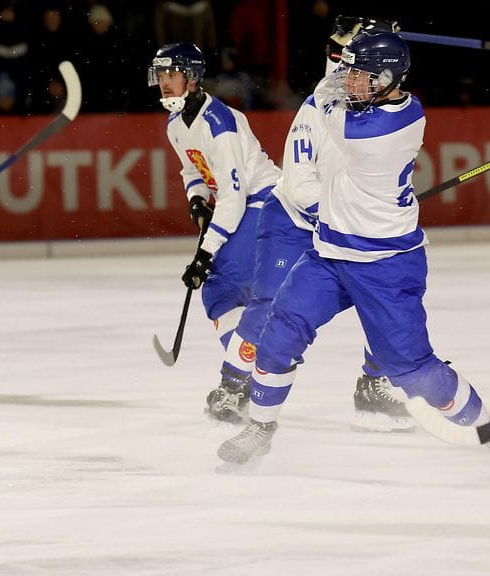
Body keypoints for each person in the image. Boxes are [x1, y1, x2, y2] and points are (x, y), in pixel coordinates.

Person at [217, 30, 490, 468]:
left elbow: (323, 97)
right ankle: (261, 427)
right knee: (279, 334)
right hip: (329, 252)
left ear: (388, 78)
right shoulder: (394, 103)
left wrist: (340, 51)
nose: (350, 81)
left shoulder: (371, 129)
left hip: (385, 265)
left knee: (414, 371)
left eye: (361, 75)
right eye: (349, 73)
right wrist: (357, 49)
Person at [204, 15, 416, 433]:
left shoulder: (377, 108)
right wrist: (343, 217)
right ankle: (232, 386)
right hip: (295, 224)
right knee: (270, 309)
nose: (355, 77)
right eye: (349, 63)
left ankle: (374, 384)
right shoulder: (320, 109)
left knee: (385, 297)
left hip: (342, 229)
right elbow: (300, 185)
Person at [148, 42, 279, 422]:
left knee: (225, 278)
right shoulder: (176, 125)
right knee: (220, 294)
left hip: (264, 202)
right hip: (237, 204)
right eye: (160, 76)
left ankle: (237, 384)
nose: (163, 83)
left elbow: (236, 198)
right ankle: (247, 378)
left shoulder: (219, 123)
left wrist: (206, 252)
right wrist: (196, 199)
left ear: (191, 78)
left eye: (170, 75)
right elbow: (193, 170)